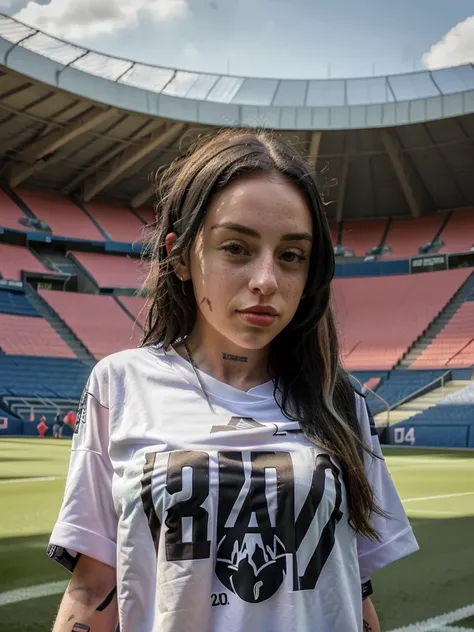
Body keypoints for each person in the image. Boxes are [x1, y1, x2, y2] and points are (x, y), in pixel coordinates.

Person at [47, 130, 419, 632]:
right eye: (237, 248)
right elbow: (93, 586)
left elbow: (350, 587)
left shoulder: (339, 400)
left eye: (291, 256)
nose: (266, 279)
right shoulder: (119, 385)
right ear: (180, 256)